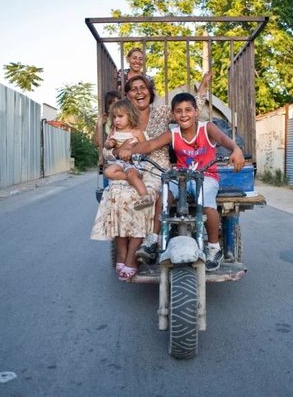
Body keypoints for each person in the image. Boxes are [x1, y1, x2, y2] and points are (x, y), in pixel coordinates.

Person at [90, 73, 211, 281]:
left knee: (146, 197)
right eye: (134, 89)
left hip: (157, 169)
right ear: (127, 95)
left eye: (143, 88)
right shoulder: (121, 117)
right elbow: (108, 151)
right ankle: (121, 252)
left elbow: (190, 111)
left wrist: (202, 89)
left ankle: (134, 253)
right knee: (116, 193)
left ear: (150, 91)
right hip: (128, 169)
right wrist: (118, 151)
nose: (139, 92)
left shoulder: (162, 112)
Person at [119, 91, 245, 270]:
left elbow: (224, 139)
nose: (184, 114)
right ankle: (153, 240)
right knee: (162, 198)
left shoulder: (206, 128)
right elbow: (150, 144)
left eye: (188, 110)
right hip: (180, 177)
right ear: (173, 114)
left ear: (195, 112)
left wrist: (236, 149)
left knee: (207, 204)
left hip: (206, 176)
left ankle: (214, 247)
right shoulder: (173, 133)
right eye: (178, 111)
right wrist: (129, 151)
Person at [102, 99, 154, 211]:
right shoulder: (114, 132)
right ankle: (133, 179)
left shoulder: (137, 132)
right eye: (114, 117)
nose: (116, 120)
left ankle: (145, 197)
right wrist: (109, 144)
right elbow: (107, 146)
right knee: (108, 172)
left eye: (120, 116)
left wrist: (135, 148)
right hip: (120, 163)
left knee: (131, 173)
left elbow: (147, 149)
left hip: (135, 163)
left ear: (130, 115)